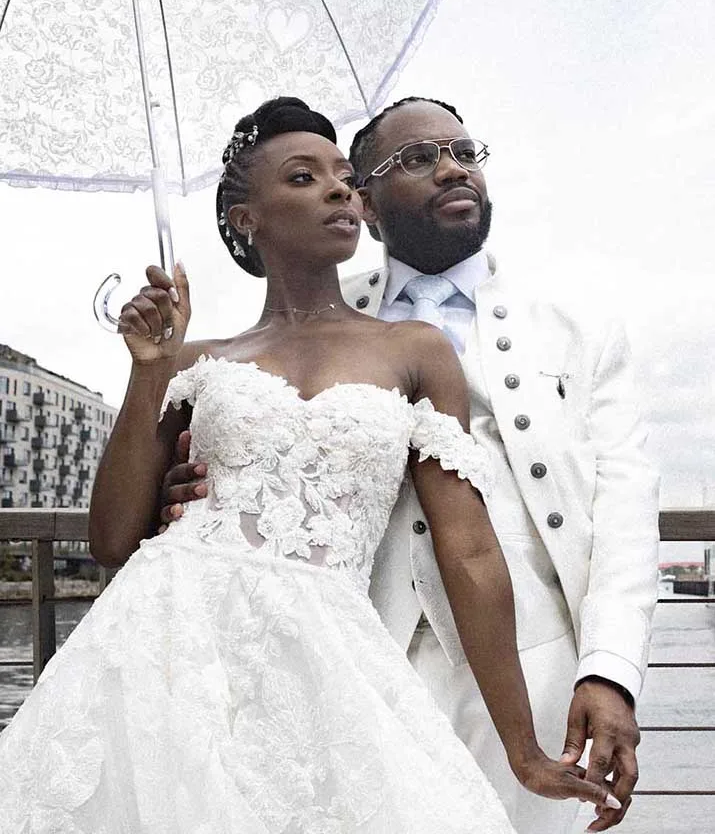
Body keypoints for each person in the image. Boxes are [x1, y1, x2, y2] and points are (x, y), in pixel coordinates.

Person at [0, 98, 616, 834]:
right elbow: (111, 539)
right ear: (245, 219)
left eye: (345, 177)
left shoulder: (415, 350)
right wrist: (148, 371)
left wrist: (523, 747)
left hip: (327, 650)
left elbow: (470, 549)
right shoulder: (197, 361)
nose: (338, 191)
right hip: (160, 645)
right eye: (303, 176)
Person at [160, 96, 660, 834]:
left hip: (537, 663)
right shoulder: (310, 317)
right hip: (354, 661)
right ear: (360, 199)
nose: (453, 168)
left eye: (464, 151)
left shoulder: (576, 324)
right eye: (417, 159)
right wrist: (196, 486)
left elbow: (624, 503)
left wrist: (608, 670)